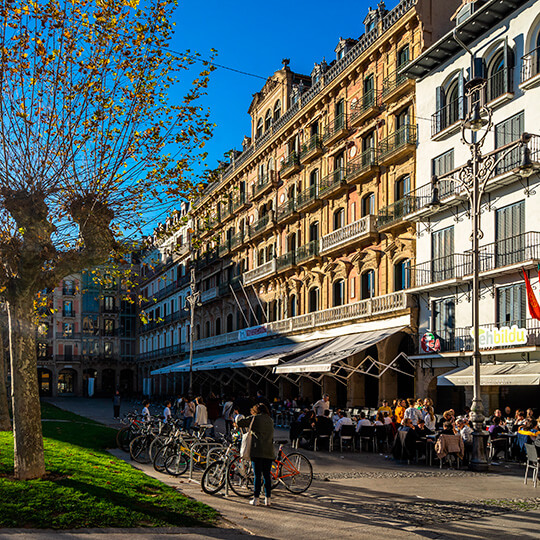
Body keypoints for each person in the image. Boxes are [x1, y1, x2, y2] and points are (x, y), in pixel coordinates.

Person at [237, 403, 275, 507]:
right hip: (269, 451)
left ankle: (256, 499)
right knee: (267, 476)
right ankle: (268, 499)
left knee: (257, 476)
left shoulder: (255, 418)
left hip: (257, 450)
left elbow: (240, 423)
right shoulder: (270, 420)